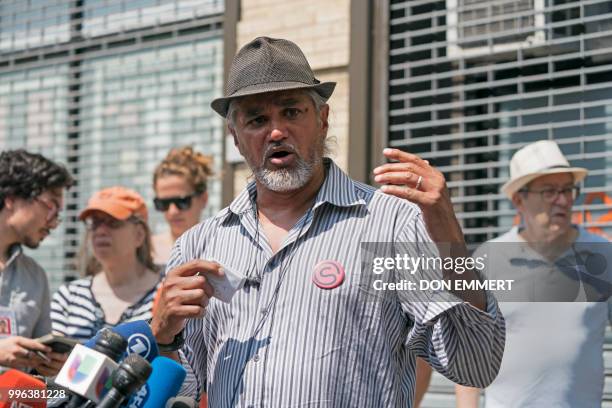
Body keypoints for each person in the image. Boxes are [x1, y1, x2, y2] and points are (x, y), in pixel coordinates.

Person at [150, 37, 505, 407]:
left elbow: (475, 365)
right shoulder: (198, 246)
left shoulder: (391, 224)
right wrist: (162, 337)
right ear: (236, 138)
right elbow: (184, 392)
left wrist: (449, 236)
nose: (276, 131)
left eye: (291, 112)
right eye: (257, 119)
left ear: (322, 119)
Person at [455, 140, 612, 407]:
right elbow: (469, 351)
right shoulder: (489, 259)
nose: (562, 200)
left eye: (567, 190)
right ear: (519, 199)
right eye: (549, 191)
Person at [51, 187, 161, 342]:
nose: (100, 231)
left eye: (112, 222)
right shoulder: (68, 297)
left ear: (139, 234)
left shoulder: (164, 295)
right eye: (95, 223)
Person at [0, 149, 74, 376]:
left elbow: (41, 385)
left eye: (59, 214)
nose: (54, 224)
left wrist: (53, 368)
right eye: (50, 206)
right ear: (11, 197)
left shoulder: (36, 277)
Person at [152, 146, 213, 265]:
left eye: (182, 202)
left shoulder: (222, 247)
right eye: (163, 204)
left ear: (203, 199)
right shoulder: (147, 252)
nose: (172, 211)